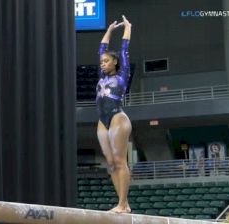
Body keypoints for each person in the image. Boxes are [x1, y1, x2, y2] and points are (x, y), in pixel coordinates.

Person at [96, 15, 133, 213]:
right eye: (101, 61)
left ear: (115, 62)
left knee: (120, 161)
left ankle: (122, 202)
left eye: (106, 61)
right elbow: (102, 48)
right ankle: (123, 205)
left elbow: (125, 48)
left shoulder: (123, 74)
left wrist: (127, 27)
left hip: (118, 117)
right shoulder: (101, 76)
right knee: (110, 164)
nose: (102, 63)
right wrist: (109, 30)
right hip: (103, 120)